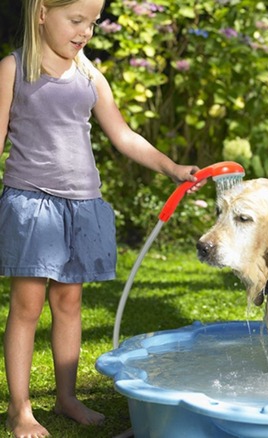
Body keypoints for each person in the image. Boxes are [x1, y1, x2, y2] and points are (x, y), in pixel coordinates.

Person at [0, 0, 201, 436]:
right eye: (76, 20)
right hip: (32, 203)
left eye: (91, 22)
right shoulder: (13, 69)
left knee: (69, 302)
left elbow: (124, 135)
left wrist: (172, 168)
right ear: (40, 13)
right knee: (27, 305)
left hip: (82, 204)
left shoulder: (90, 76)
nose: (85, 31)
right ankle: (20, 408)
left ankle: (67, 397)